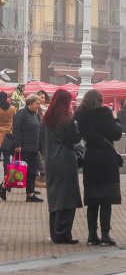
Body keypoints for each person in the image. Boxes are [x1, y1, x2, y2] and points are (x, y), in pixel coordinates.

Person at [75, 89, 123, 246]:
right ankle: (105, 235)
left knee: (93, 200)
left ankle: (91, 236)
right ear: (99, 101)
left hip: (91, 158)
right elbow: (116, 134)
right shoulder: (104, 113)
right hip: (106, 160)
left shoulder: (80, 115)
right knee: (106, 200)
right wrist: (116, 120)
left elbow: (78, 136)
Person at [38, 88, 82, 244]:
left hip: (50, 163)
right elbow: (75, 138)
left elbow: (40, 145)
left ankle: (55, 233)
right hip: (66, 162)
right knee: (68, 199)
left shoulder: (44, 121)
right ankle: (63, 234)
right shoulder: (66, 120)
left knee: (55, 198)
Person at [12, 93, 43, 202]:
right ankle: (4, 187)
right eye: (37, 103)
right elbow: (16, 129)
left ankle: (30, 194)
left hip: (34, 148)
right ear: (30, 103)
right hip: (24, 148)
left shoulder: (35, 115)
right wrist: (18, 144)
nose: (38, 105)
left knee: (32, 171)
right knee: (20, 171)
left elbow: (39, 131)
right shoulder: (21, 113)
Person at [0, 91, 16, 196]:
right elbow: (15, 121)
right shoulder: (12, 109)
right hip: (8, 136)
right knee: (7, 158)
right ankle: (6, 180)